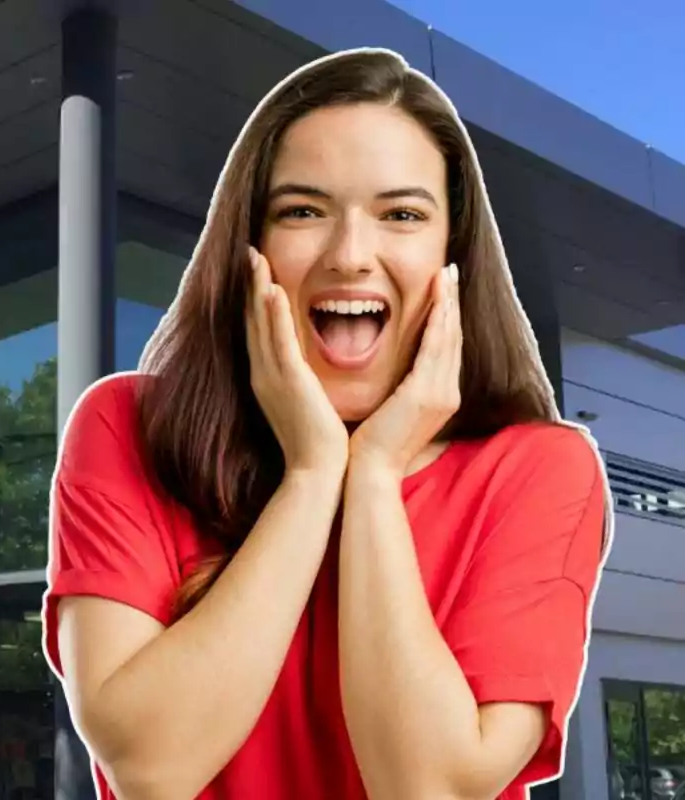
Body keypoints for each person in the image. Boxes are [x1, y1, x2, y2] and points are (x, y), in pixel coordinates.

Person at [41, 47, 612, 800]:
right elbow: (151, 769)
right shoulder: (126, 426)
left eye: (402, 215)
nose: (350, 256)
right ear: (249, 248)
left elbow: (429, 788)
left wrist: (371, 475)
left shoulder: (540, 470)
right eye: (302, 211)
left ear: (453, 255)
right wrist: (312, 476)